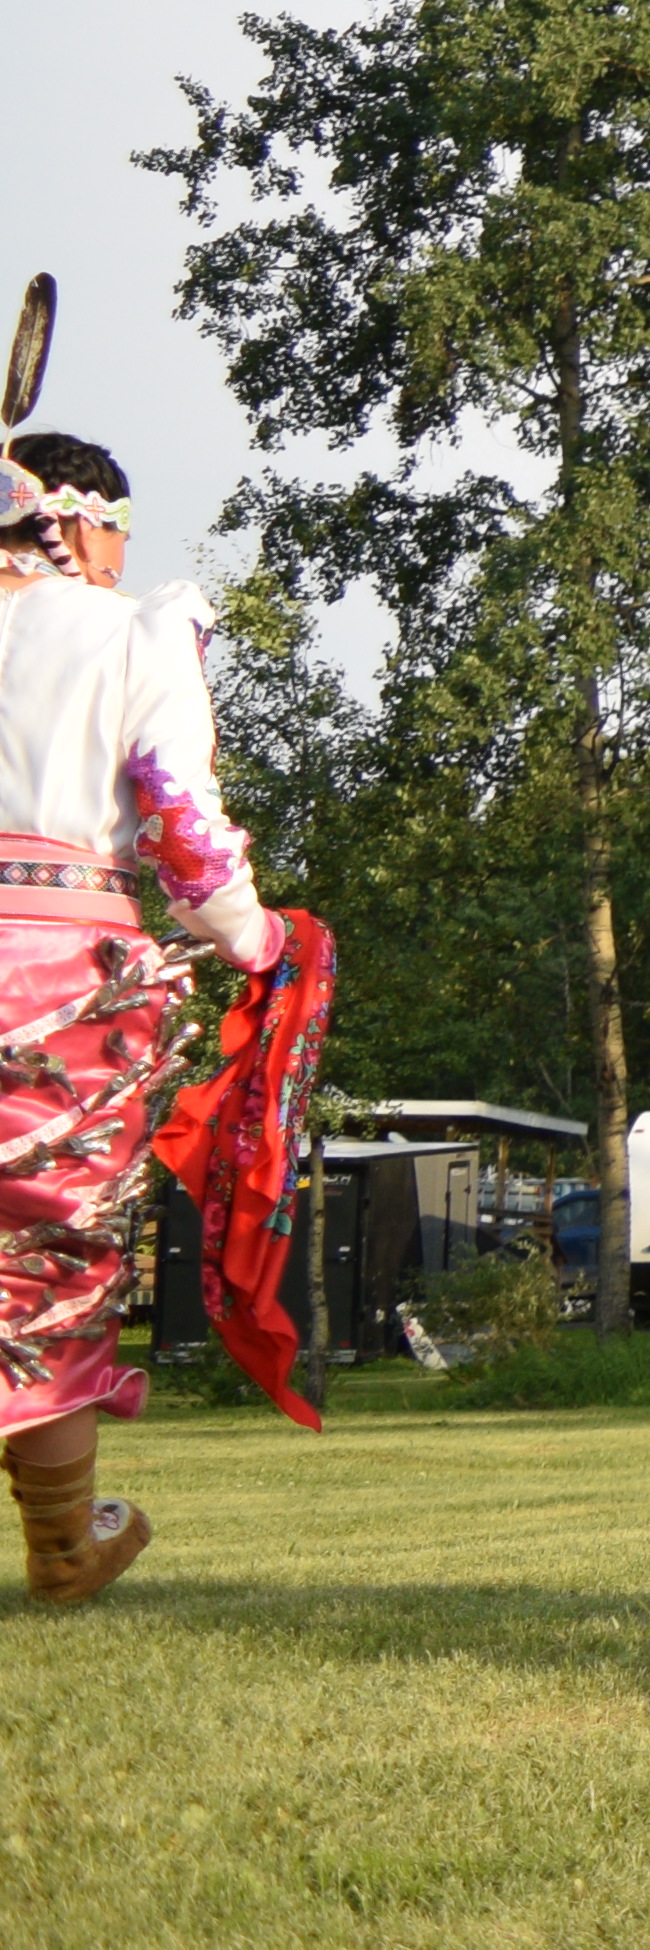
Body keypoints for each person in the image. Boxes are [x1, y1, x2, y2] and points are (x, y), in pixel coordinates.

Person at [0, 428, 318, 1604]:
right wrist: (261, 940)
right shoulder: (132, 629)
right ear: (77, 522)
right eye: (120, 531)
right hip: (59, 973)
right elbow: (185, 832)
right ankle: (62, 1544)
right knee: (47, 1252)